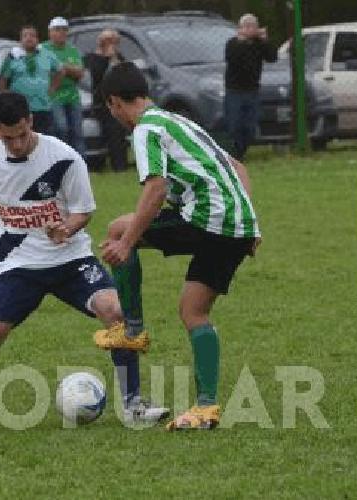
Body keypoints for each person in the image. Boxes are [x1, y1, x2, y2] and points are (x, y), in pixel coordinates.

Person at [0, 92, 169, 429]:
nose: (15, 145)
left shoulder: (64, 158)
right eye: (7, 137)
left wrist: (66, 228)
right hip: (19, 265)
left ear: (31, 121)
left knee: (116, 312)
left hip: (69, 259)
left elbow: (83, 210)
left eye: (21, 135)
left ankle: (133, 405)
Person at [95, 62, 263, 431]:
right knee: (194, 312)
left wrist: (127, 243)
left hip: (205, 219)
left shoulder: (147, 129)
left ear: (113, 104)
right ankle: (206, 408)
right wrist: (249, 223)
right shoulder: (179, 122)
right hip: (235, 225)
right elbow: (237, 166)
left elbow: (155, 189)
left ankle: (133, 329)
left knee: (117, 229)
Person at [223, 13, 277, 161]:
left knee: (250, 127)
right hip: (234, 91)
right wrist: (242, 41)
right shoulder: (233, 44)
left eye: (253, 26)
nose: (250, 29)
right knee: (234, 125)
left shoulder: (259, 44)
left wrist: (265, 40)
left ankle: (241, 152)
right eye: (246, 26)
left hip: (252, 90)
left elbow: (272, 57)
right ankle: (233, 155)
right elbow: (231, 58)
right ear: (240, 28)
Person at [0, 25, 62, 136]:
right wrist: (6, 98)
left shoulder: (47, 55)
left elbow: (60, 71)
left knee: (44, 139)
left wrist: (53, 88)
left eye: (32, 35)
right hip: (20, 109)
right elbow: (3, 80)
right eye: (25, 36)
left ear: (37, 39)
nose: (29, 38)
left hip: (43, 106)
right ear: (20, 40)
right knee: (22, 138)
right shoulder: (12, 57)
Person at [82, 29, 129, 172]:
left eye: (113, 41)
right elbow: (97, 76)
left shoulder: (118, 57)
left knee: (119, 129)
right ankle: (114, 164)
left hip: (117, 101)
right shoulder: (92, 58)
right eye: (108, 40)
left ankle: (120, 164)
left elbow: (121, 73)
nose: (111, 43)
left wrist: (113, 57)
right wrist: (106, 58)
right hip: (100, 103)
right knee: (113, 126)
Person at [41, 17, 86, 157]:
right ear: (50, 32)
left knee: (77, 132)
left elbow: (80, 73)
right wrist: (67, 69)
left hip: (72, 96)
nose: (61, 33)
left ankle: (81, 163)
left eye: (64, 30)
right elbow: (45, 71)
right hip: (53, 95)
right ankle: (61, 160)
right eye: (57, 30)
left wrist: (62, 67)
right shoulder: (43, 49)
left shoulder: (72, 50)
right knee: (61, 128)